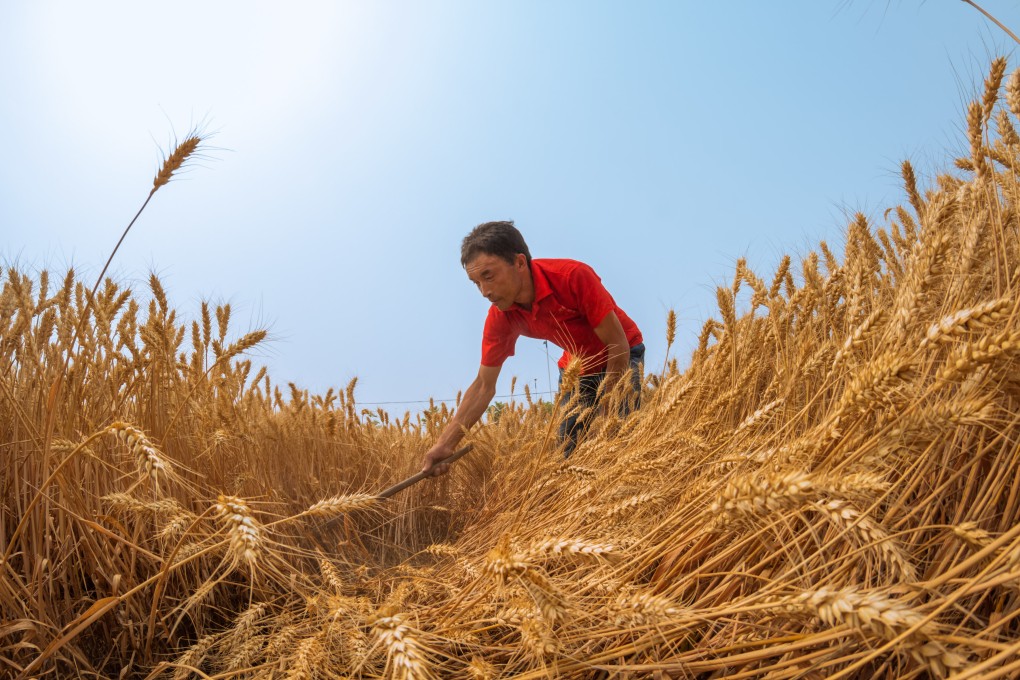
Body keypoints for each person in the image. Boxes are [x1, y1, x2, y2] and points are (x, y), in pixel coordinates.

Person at [421, 221, 644, 476]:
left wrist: (608, 409)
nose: (483, 291)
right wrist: (444, 444)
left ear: (519, 263)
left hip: (622, 350)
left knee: (621, 439)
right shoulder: (500, 316)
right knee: (569, 456)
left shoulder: (572, 277)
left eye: (488, 276)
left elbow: (617, 345)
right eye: (475, 282)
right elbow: (484, 384)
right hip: (577, 368)